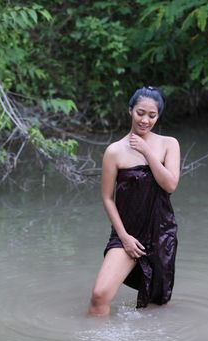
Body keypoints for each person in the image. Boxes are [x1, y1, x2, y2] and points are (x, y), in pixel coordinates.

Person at [88, 86, 180, 316]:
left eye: (152, 115)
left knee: (155, 305)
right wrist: (124, 238)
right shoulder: (114, 151)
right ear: (130, 110)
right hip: (127, 234)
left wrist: (147, 152)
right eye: (140, 113)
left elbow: (170, 185)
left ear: (158, 116)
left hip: (160, 232)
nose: (145, 120)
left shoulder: (169, 144)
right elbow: (107, 198)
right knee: (99, 296)